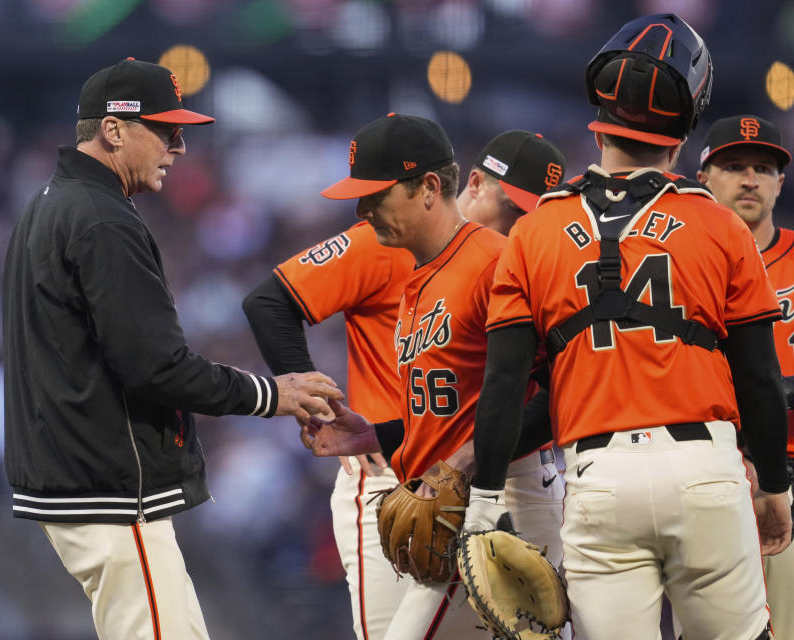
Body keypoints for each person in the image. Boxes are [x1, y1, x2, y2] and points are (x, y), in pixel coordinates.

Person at [463, 14, 793, 640]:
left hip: (600, 477)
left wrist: (482, 503)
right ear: (686, 120)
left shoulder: (533, 232)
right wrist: (773, 484)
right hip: (706, 471)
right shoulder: (719, 224)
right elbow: (758, 376)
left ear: (599, 108)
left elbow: (504, 384)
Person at [1, 58, 343, 640]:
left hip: (76, 475)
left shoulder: (49, 202)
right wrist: (271, 394)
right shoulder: (99, 217)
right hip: (106, 483)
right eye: (166, 130)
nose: (179, 147)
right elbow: (155, 367)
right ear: (113, 130)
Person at [242, 127, 567, 640]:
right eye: (515, 208)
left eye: (532, 216)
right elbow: (268, 302)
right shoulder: (414, 262)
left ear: (430, 188)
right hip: (422, 477)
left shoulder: (496, 260)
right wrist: (368, 430)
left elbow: (555, 386)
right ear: (473, 184)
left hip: (490, 483)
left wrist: (462, 465)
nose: (519, 225)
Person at [697, 114, 794, 640]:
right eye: (734, 166)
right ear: (704, 176)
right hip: (701, 471)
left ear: (781, 182)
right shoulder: (678, 263)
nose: (750, 179)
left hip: (786, 478)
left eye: (764, 168)